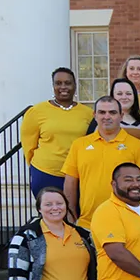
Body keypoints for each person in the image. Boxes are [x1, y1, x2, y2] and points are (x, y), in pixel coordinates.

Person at [62, 96, 140, 229]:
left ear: (121, 116)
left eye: (112, 112)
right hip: (88, 224)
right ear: (94, 115)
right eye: (102, 112)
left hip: (126, 224)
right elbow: (70, 182)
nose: (107, 116)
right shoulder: (79, 145)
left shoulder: (137, 146)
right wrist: (71, 215)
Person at [22, 68, 94, 197]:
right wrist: (36, 167)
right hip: (46, 172)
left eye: (68, 83)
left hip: (77, 174)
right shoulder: (37, 111)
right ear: (53, 86)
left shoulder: (88, 113)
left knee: (74, 214)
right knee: (51, 212)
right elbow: (28, 145)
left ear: (75, 85)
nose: (63, 87)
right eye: (58, 83)